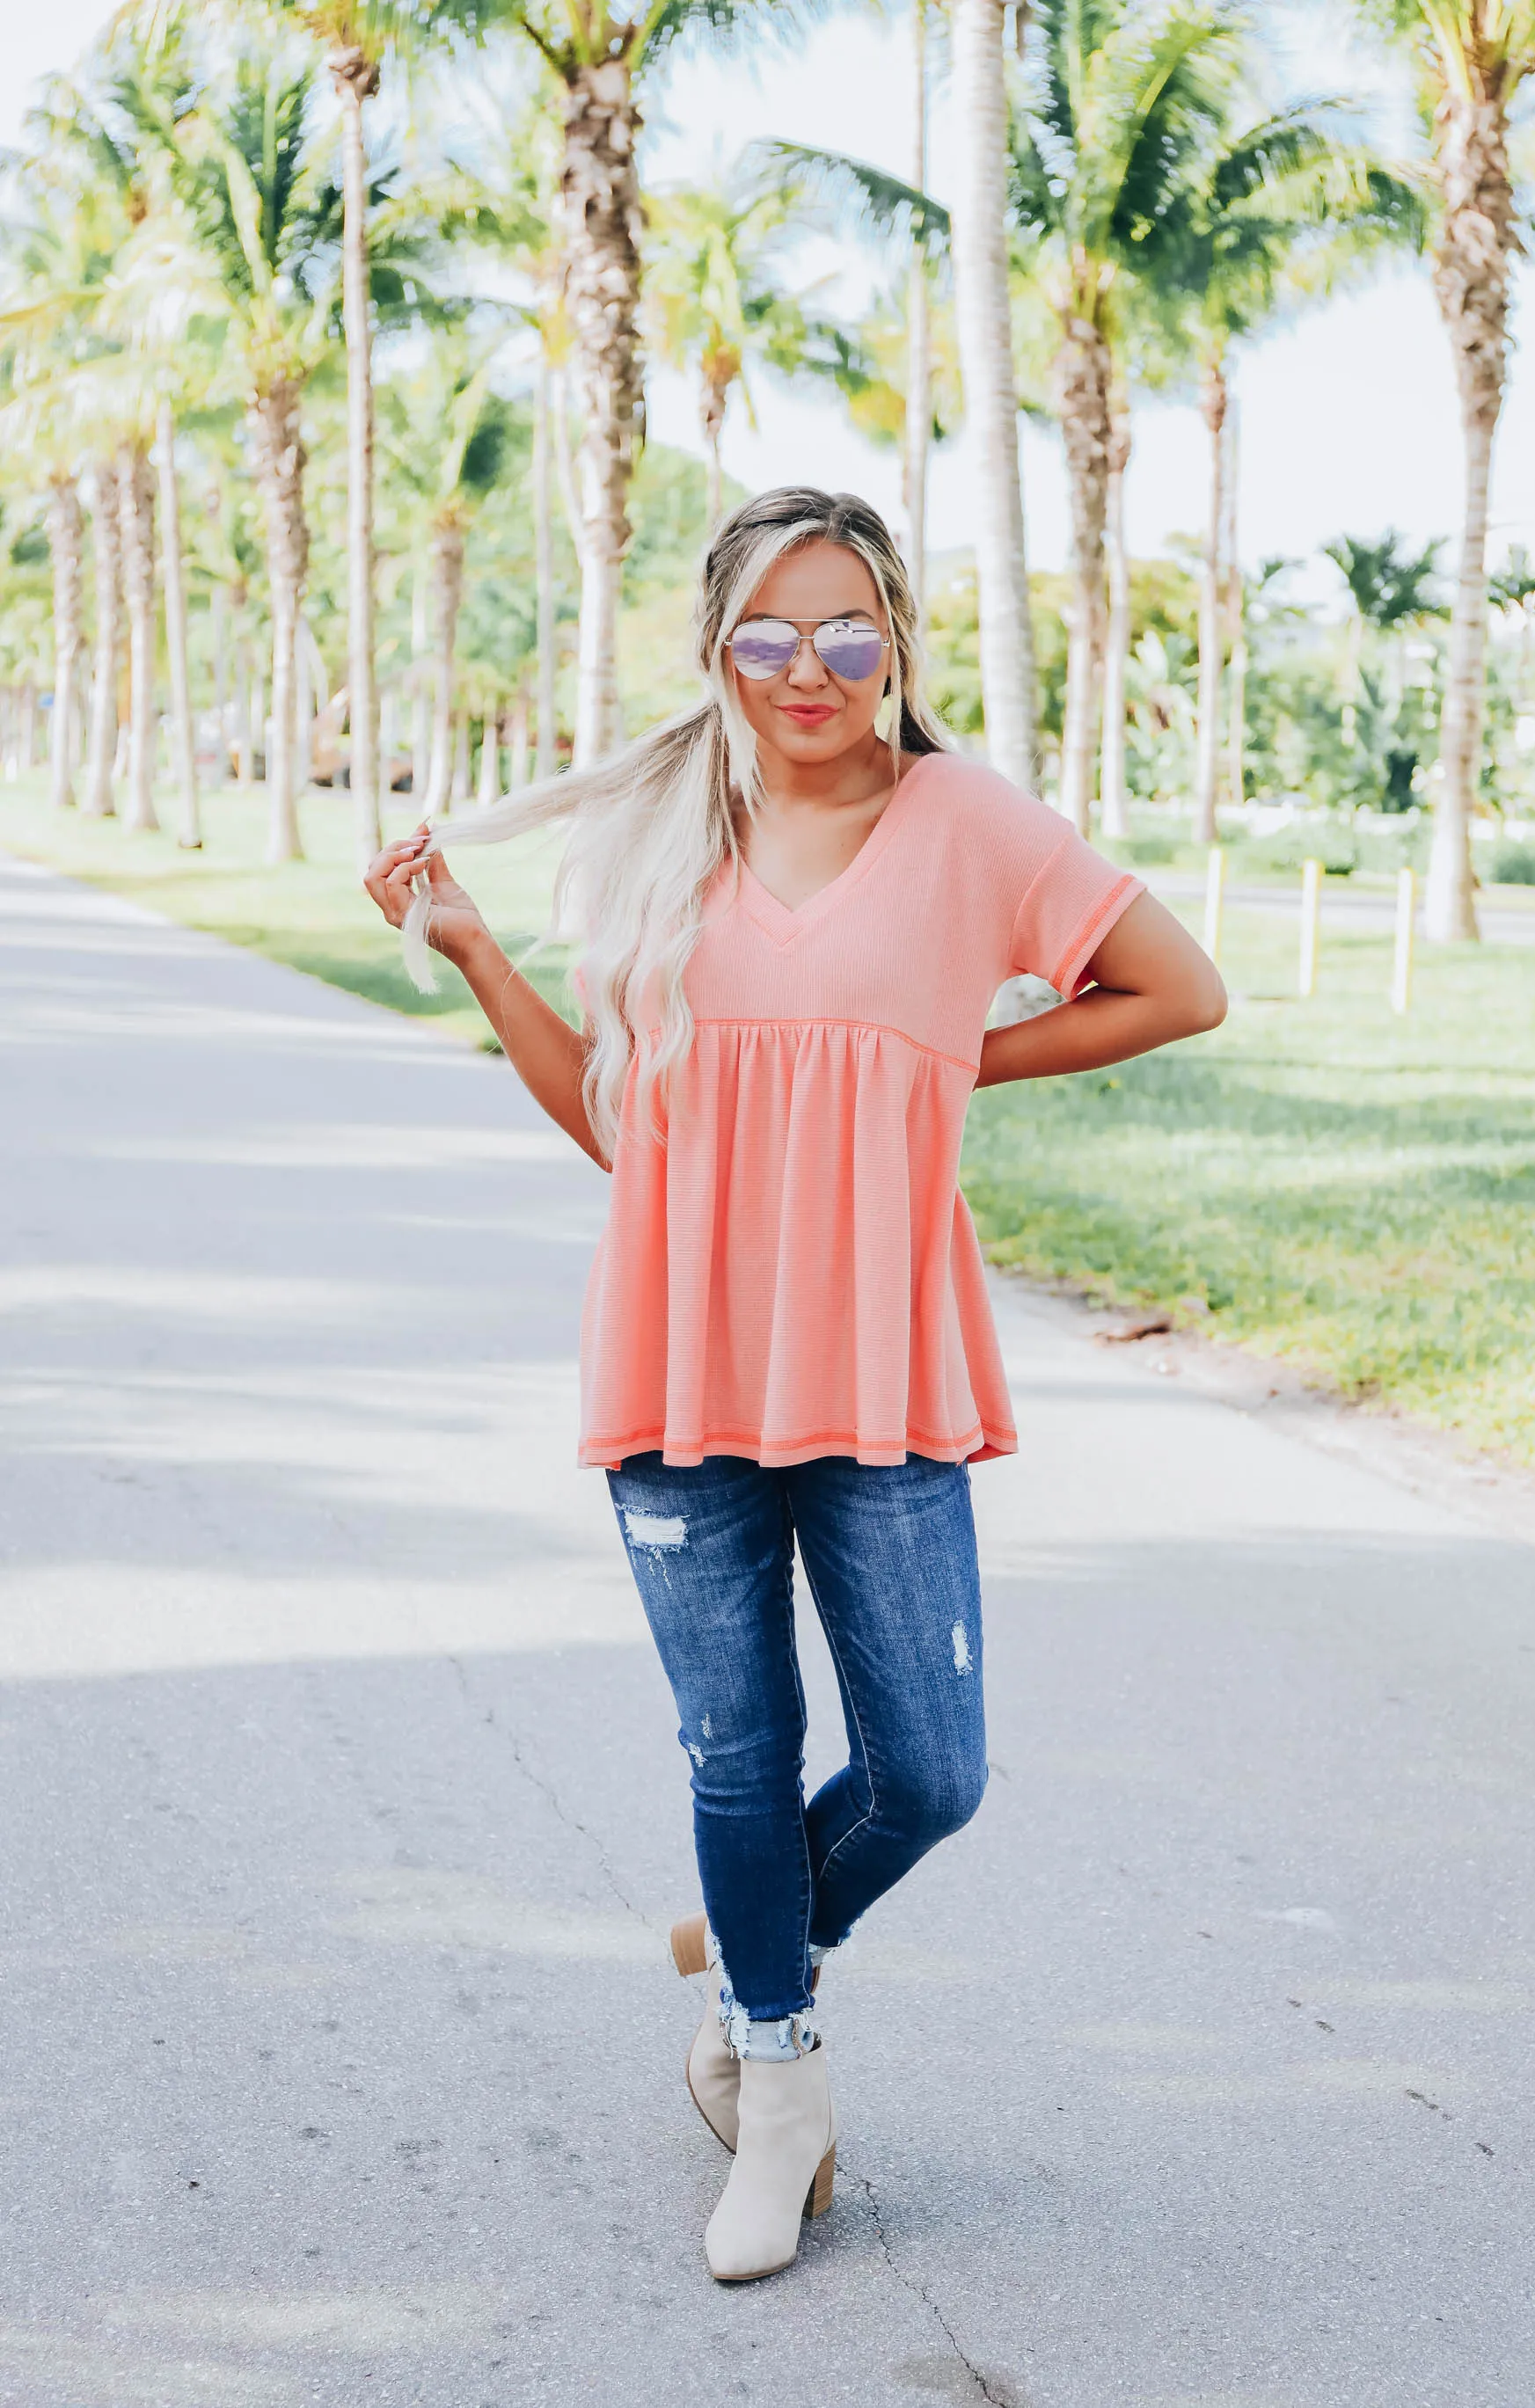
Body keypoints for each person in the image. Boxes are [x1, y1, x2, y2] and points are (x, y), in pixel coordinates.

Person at [363, 486, 1225, 2283]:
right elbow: (620, 1117)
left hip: (885, 1367)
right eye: (770, 634)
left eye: (848, 630)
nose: (811, 668)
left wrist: (953, 1056)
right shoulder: (661, 840)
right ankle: (775, 2073)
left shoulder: (966, 818)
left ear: (896, 636)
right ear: (717, 650)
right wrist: (469, 945)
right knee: (738, 1753)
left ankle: (757, 1934)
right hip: (682, 1364)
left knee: (932, 1768)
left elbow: (1176, 986)